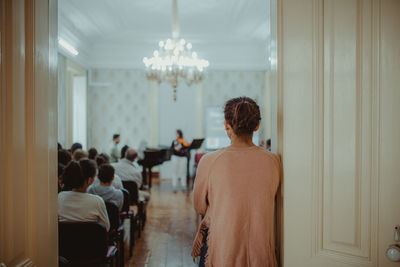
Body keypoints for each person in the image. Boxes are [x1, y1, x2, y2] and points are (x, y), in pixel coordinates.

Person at [191, 97, 281, 267]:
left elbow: (199, 207)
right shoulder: (273, 161)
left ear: (226, 124)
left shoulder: (209, 161)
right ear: (257, 126)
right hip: (262, 254)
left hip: (222, 253)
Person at [58, 160, 110, 231]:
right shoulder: (97, 201)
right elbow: (106, 228)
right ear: (90, 180)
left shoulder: (60, 197)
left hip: (64, 241)